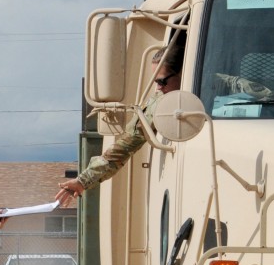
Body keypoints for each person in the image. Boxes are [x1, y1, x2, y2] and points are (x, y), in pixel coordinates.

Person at [55, 44, 184, 207]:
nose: (158, 88)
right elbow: (129, 141)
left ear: (183, 73)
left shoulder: (220, 87)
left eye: (162, 81)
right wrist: (84, 180)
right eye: (156, 82)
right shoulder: (160, 103)